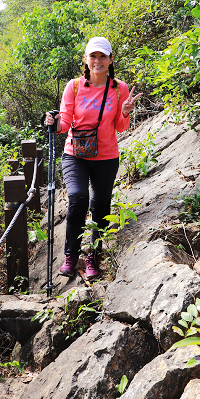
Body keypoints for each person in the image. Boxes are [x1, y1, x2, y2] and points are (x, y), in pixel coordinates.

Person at [44, 36, 143, 280]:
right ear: (86, 60)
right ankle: (71, 254)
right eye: (93, 56)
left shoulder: (119, 88)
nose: (97, 61)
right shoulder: (74, 87)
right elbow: (65, 121)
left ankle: (93, 256)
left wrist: (126, 112)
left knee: (101, 207)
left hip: (106, 156)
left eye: (103, 56)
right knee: (78, 198)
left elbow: (120, 127)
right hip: (75, 154)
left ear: (110, 60)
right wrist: (53, 123)